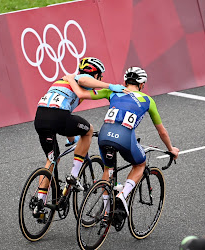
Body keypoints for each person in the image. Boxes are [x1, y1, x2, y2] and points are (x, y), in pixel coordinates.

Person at [63, 66, 179, 220]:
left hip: (104, 135)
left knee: (108, 169)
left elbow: (82, 94)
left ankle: (105, 212)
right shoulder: (148, 100)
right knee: (140, 164)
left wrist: (71, 79)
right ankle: (122, 196)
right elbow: (162, 131)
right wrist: (171, 149)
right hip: (125, 138)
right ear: (142, 84)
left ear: (125, 81)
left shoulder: (112, 91)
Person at [33, 57, 126, 218]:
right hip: (58, 116)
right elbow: (83, 79)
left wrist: (71, 139)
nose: (100, 79)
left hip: (40, 118)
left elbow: (64, 114)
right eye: (100, 76)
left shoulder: (63, 81)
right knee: (88, 131)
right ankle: (74, 176)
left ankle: (39, 204)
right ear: (95, 74)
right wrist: (110, 86)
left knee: (52, 160)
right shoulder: (79, 78)